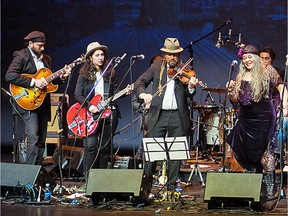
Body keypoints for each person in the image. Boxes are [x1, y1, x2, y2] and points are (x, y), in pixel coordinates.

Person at [134, 38, 198, 189]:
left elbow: (190, 94)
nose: (172, 58)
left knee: (175, 154)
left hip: (177, 115)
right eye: (169, 54)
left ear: (180, 55)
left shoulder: (185, 69)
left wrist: (191, 87)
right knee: (151, 153)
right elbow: (140, 82)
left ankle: (170, 189)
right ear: (164, 54)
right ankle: (146, 188)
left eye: (175, 54)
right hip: (159, 114)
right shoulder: (157, 66)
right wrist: (144, 95)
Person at [227, 44, 287, 197]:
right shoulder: (241, 75)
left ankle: (271, 188)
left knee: (264, 150)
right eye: (244, 58)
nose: (247, 60)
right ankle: (253, 186)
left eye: (249, 57)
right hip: (246, 117)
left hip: (264, 116)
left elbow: (281, 87)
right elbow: (235, 99)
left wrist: (285, 107)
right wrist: (230, 91)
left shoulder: (267, 70)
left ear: (255, 58)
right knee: (245, 148)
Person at [5, 31, 71, 165]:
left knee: (42, 140)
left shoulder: (47, 59)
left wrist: (62, 77)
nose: (42, 48)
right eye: (39, 45)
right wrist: (33, 82)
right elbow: (10, 76)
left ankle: (38, 171)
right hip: (27, 102)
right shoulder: (21, 55)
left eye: (43, 45)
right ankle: (29, 172)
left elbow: (50, 83)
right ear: (30, 43)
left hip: (43, 103)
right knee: (33, 137)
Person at [74, 42, 132, 176]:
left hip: (109, 113)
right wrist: (90, 106)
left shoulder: (110, 73)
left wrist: (125, 92)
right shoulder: (84, 75)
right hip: (90, 115)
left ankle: (101, 178)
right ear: (90, 58)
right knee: (91, 146)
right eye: (97, 55)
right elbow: (78, 94)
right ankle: (89, 178)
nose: (101, 57)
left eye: (102, 55)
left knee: (105, 148)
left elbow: (114, 94)